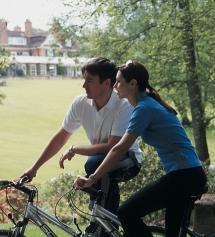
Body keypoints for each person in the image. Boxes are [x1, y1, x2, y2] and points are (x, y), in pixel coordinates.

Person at [74, 60, 207, 237]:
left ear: (133, 83)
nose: (115, 85)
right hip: (187, 175)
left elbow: (118, 148)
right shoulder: (147, 103)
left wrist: (93, 178)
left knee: (126, 213)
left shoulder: (144, 108)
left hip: (184, 176)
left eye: (119, 81)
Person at [20, 57, 142, 215]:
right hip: (101, 161)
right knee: (94, 168)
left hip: (129, 161)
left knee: (93, 164)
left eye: (89, 81)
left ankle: (105, 225)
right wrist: (34, 168)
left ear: (107, 83)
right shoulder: (80, 103)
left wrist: (75, 148)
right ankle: (101, 223)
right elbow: (60, 137)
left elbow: (112, 146)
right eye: (84, 80)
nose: (84, 85)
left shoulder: (123, 105)